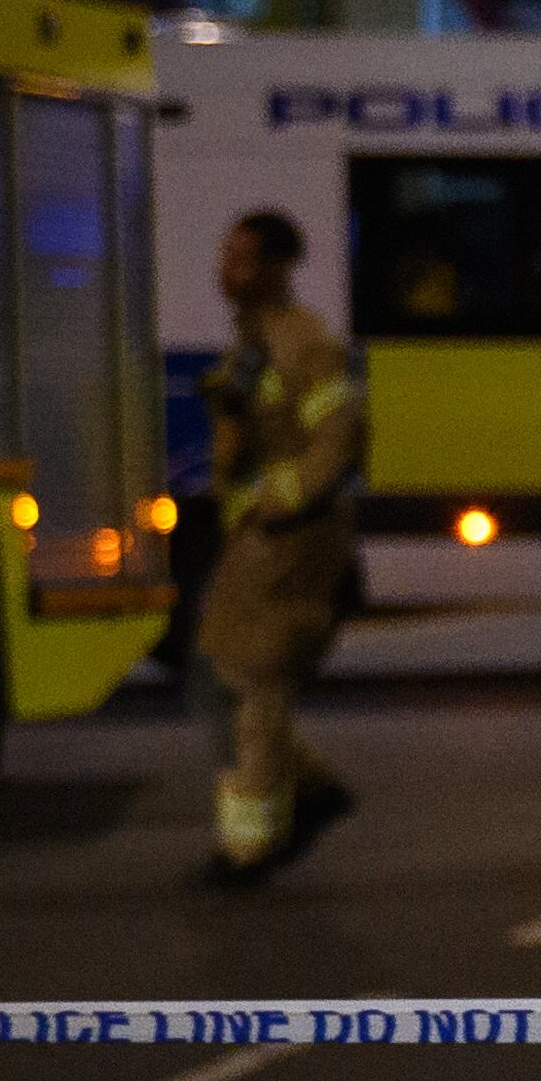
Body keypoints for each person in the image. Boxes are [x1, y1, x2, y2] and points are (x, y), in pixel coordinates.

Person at [194, 209, 362, 888]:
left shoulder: (307, 345)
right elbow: (238, 449)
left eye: (240, 258)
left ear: (274, 267)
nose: (226, 270)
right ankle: (314, 789)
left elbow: (337, 441)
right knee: (223, 677)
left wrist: (277, 502)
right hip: (254, 542)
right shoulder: (250, 345)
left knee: (255, 684)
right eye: (226, 255)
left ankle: (250, 848)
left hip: (292, 539)